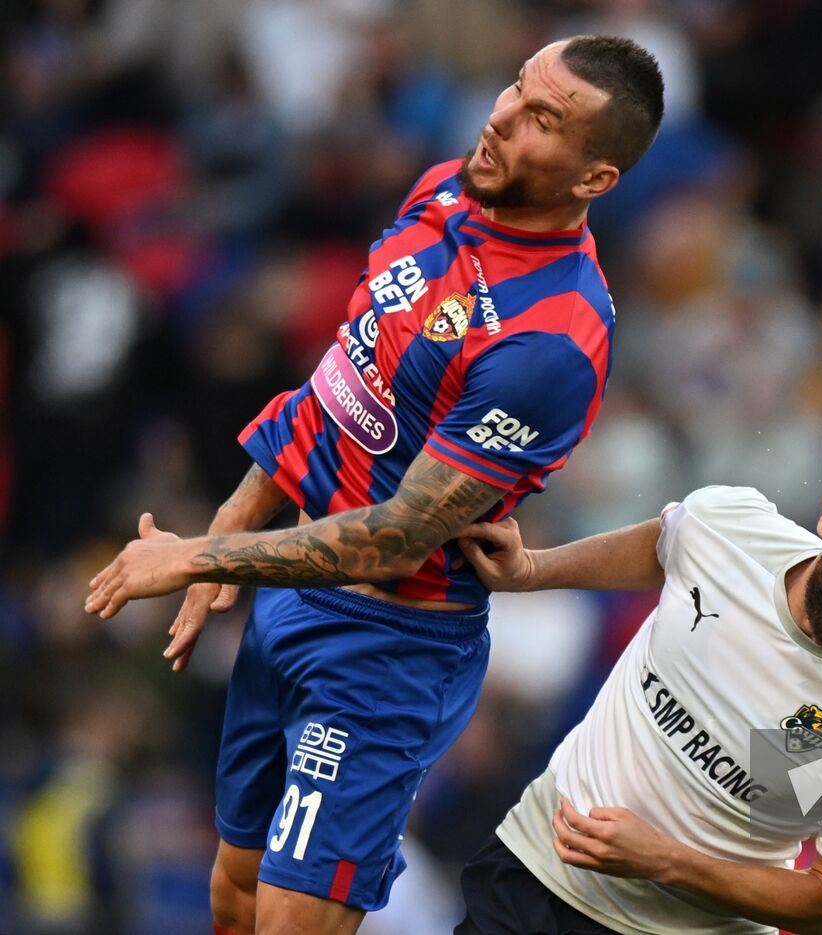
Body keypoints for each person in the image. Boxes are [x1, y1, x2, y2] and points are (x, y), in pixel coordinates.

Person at [84, 35, 664, 935]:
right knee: (232, 898)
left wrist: (204, 552)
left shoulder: (549, 340)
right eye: (516, 89)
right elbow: (341, 381)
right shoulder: (441, 189)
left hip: (388, 653)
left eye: (542, 119)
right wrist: (232, 536)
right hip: (289, 606)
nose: (503, 116)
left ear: (596, 177)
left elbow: (399, 533)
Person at [453, 445, 822, 934]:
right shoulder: (728, 528)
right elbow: (663, 545)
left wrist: (667, 861)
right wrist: (531, 569)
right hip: (534, 869)